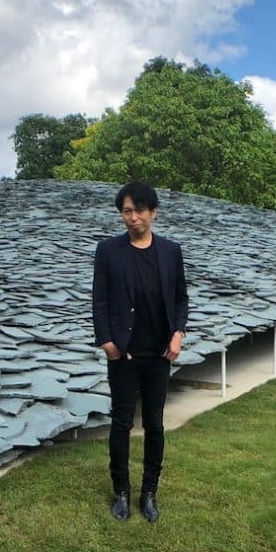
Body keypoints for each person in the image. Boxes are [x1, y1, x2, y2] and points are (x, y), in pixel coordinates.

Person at [92, 182, 188, 522]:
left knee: (154, 424)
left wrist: (178, 334)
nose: (133, 217)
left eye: (139, 210)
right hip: (123, 354)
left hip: (159, 354)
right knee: (121, 423)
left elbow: (180, 299)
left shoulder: (171, 251)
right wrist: (106, 340)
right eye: (127, 211)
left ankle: (149, 492)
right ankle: (121, 491)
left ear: (153, 212)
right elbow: (100, 300)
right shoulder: (108, 251)